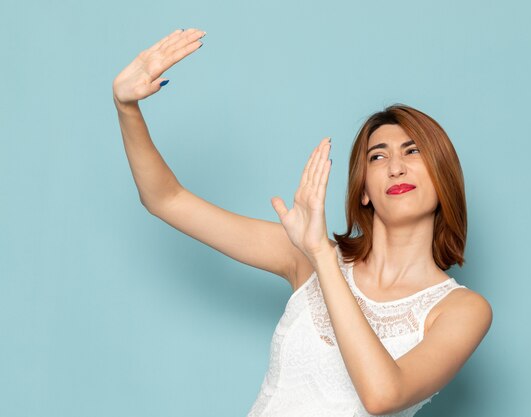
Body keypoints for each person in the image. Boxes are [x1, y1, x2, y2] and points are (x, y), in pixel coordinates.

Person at [113, 28, 493, 417]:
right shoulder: (304, 255)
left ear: (443, 177)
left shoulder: (461, 309)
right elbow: (166, 199)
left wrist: (321, 255)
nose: (395, 167)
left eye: (412, 152)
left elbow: (383, 396)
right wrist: (127, 108)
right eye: (378, 157)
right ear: (363, 190)